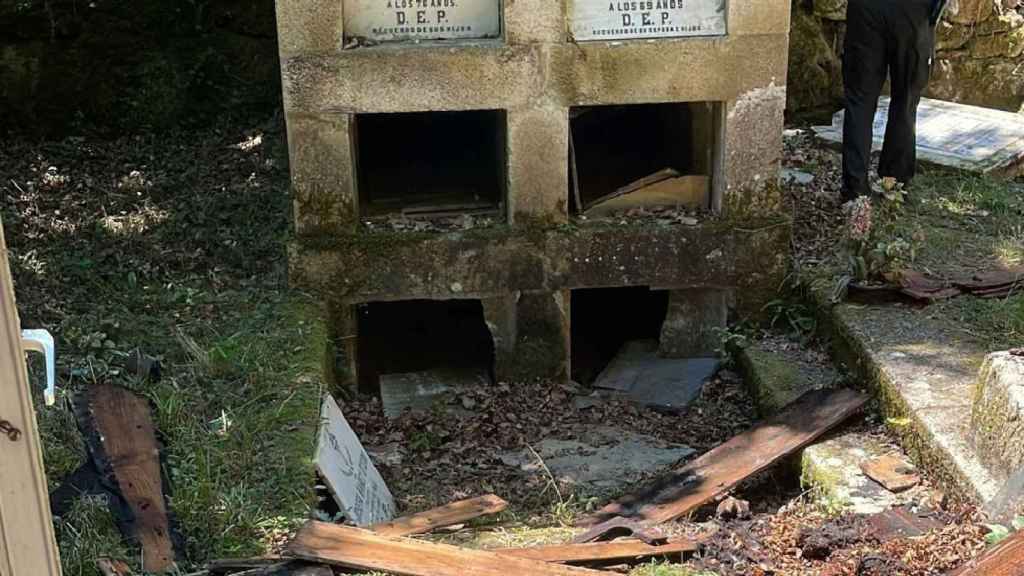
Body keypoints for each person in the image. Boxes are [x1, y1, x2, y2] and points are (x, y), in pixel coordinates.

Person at [841, 0, 952, 201]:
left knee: (860, 101)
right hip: (912, 11)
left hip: (868, 9)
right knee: (905, 99)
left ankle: (855, 191)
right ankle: (893, 182)